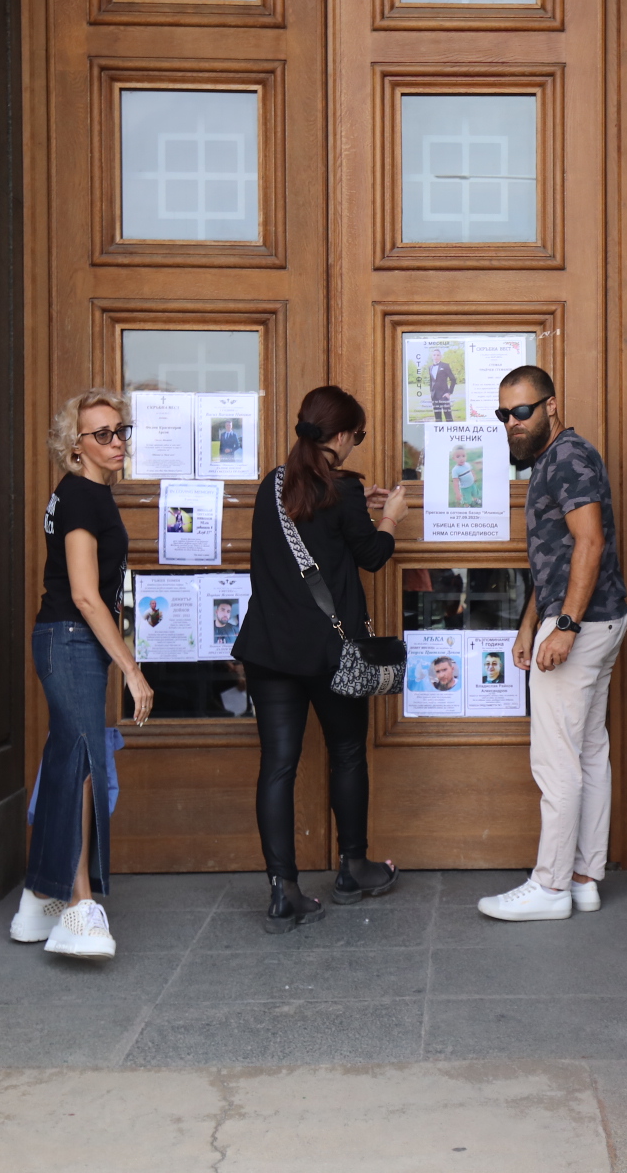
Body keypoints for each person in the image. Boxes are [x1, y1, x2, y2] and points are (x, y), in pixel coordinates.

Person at [233, 386, 411, 932]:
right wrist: (392, 516)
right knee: (347, 753)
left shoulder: (272, 487)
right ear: (338, 436)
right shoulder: (344, 491)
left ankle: (283, 891)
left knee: (277, 766)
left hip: (270, 652)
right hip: (334, 657)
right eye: (357, 435)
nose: (357, 444)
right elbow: (374, 557)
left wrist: (363, 505)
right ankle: (353, 868)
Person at [477, 366, 627, 921]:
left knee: (557, 760)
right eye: (503, 415)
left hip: (583, 626)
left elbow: (589, 541)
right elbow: (557, 556)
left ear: (552, 407)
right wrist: (528, 623)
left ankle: (551, 886)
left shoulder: (566, 458)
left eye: (522, 411)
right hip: (597, 620)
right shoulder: (554, 459)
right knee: (589, 750)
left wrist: (563, 626)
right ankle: (586, 877)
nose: (512, 424)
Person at [10, 389, 155, 959]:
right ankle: (77, 906)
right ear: (76, 445)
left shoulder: (87, 494)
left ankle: (39, 901)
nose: (116, 443)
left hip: (68, 641)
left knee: (69, 758)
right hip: (70, 639)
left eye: (121, 431)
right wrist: (133, 671)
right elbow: (85, 597)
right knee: (83, 763)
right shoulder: (80, 498)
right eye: (102, 434)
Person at [429, 354, 457, 421]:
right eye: (434, 355)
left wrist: (449, 392)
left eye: (438, 355)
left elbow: (453, 379)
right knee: (437, 416)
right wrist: (431, 391)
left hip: (444, 394)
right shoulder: (430, 367)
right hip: (434, 395)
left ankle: (451, 429)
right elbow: (431, 380)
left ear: (440, 356)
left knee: (448, 415)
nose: (436, 356)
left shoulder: (445, 366)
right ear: (432, 356)